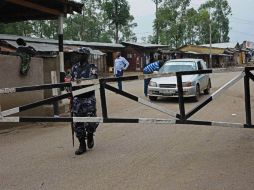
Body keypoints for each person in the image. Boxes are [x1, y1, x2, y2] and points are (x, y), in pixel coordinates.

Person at [70, 47, 99, 155]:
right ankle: (82, 145)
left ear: (86, 56)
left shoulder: (92, 67)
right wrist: (71, 89)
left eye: (80, 54)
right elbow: (71, 81)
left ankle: (90, 134)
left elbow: (92, 81)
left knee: (91, 121)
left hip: (88, 98)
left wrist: (79, 84)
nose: (78, 56)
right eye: (78, 54)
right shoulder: (74, 68)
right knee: (78, 123)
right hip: (77, 98)